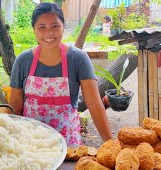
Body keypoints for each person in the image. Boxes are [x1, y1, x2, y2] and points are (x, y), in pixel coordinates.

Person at [9, 2, 112, 147]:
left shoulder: (78, 59)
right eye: (42, 27)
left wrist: (111, 144)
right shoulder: (23, 61)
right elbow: (15, 105)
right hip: (31, 145)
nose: (49, 33)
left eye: (55, 26)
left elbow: (94, 103)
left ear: (63, 27)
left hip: (68, 145)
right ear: (34, 30)